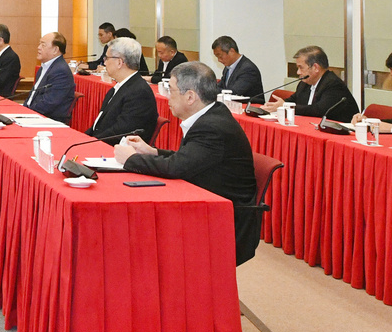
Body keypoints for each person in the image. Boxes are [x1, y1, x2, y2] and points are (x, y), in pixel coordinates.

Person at [115, 61, 260, 265]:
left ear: (190, 97)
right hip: (208, 201)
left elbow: (176, 167)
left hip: (223, 217)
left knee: (141, 221)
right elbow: (190, 158)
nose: (167, 97)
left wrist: (131, 159)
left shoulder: (212, 127)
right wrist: (152, 151)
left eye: (171, 90)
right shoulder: (211, 114)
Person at [85, 36, 159, 143]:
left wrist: (90, 142)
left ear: (119, 62)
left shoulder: (139, 93)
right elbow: (97, 126)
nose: (104, 63)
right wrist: (83, 138)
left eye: (107, 58)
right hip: (101, 143)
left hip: (116, 149)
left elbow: (120, 132)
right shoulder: (118, 87)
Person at [262, 46, 357, 122]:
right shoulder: (304, 84)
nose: (298, 72)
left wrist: (285, 106)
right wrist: (276, 106)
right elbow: (293, 100)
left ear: (315, 67)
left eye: (301, 67)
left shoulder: (333, 84)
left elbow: (319, 110)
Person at [23, 32, 75, 125]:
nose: (38, 47)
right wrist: (23, 109)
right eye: (39, 44)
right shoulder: (43, 68)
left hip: (48, 121)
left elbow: (49, 103)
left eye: (43, 45)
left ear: (55, 50)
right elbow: (32, 95)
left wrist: (26, 114)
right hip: (35, 116)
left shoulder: (60, 71)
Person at [211, 35, 264, 104]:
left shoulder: (248, 69)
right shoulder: (227, 68)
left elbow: (234, 93)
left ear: (232, 51)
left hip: (250, 107)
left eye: (220, 56)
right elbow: (221, 86)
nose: (219, 60)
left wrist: (212, 91)